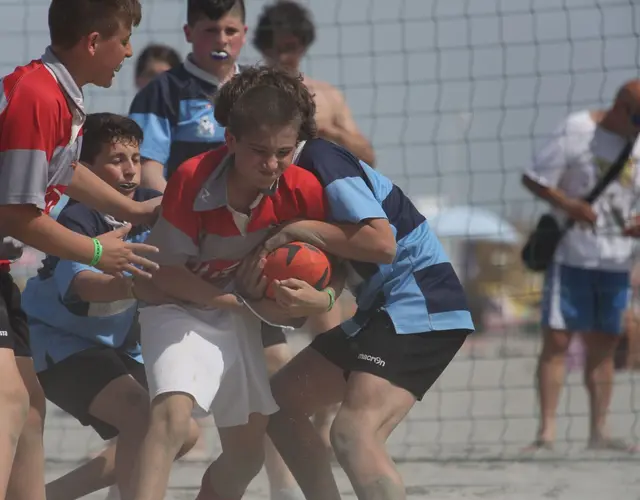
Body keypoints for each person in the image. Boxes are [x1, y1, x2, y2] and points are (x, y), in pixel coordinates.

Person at [204, 66, 474, 500]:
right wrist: (320, 296)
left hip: (420, 301)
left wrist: (294, 231)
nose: (271, 159)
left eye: (279, 147)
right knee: (282, 406)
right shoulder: (274, 176)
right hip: (378, 308)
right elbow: (341, 261)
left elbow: (380, 243)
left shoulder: (321, 159)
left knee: (352, 433)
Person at [128, 68, 340, 500]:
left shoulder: (302, 189)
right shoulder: (192, 177)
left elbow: (335, 267)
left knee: (246, 455)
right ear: (230, 142)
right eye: (259, 151)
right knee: (170, 417)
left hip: (237, 312)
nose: (272, 163)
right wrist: (240, 302)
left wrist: (320, 297)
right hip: (173, 304)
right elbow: (165, 272)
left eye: (284, 151)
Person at [0, 1, 160, 498]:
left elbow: (63, 171)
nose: (128, 52)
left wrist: (133, 211)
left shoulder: (59, 94)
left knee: (28, 410)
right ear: (94, 42)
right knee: (7, 402)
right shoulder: (36, 94)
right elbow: (14, 213)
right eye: (124, 39)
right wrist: (94, 253)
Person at [21, 113, 199, 500]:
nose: (131, 169)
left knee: (181, 431)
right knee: (142, 416)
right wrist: (137, 288)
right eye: (117, 160)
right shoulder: (77, 217)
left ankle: (55, 495)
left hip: (116, 345)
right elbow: (84, 287)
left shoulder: (153, 208)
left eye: (135, 159)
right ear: (85, 170)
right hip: (59, 343)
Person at [253, 0, 374, 450]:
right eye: (282, 47)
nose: (290, 56)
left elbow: (368, 156)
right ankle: (273, 449)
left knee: (330, 341)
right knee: (265, 350)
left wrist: (325, 130)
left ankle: (319, 431)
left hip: (317, 232)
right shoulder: (248, 92)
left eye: (297, 47)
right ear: (265, 46)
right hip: (263, 229)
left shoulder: (327, 95)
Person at [522, 80, 640, 453]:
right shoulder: (577, 129)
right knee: (556, 340)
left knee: (605, 346)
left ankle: (599, 432)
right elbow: (534, 178)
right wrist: (569, 205)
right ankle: (547, 433)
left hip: (617, 258)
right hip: (571, 253)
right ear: (620, 106)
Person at [129, 0, 247, 192]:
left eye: (231, 31)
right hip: (187, 214)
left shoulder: (259, 88)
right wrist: (180, 215)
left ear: (244, 34)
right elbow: (147, 171)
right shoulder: (161, 91)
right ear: (188, 33)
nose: (221, 40)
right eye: (210, 30)